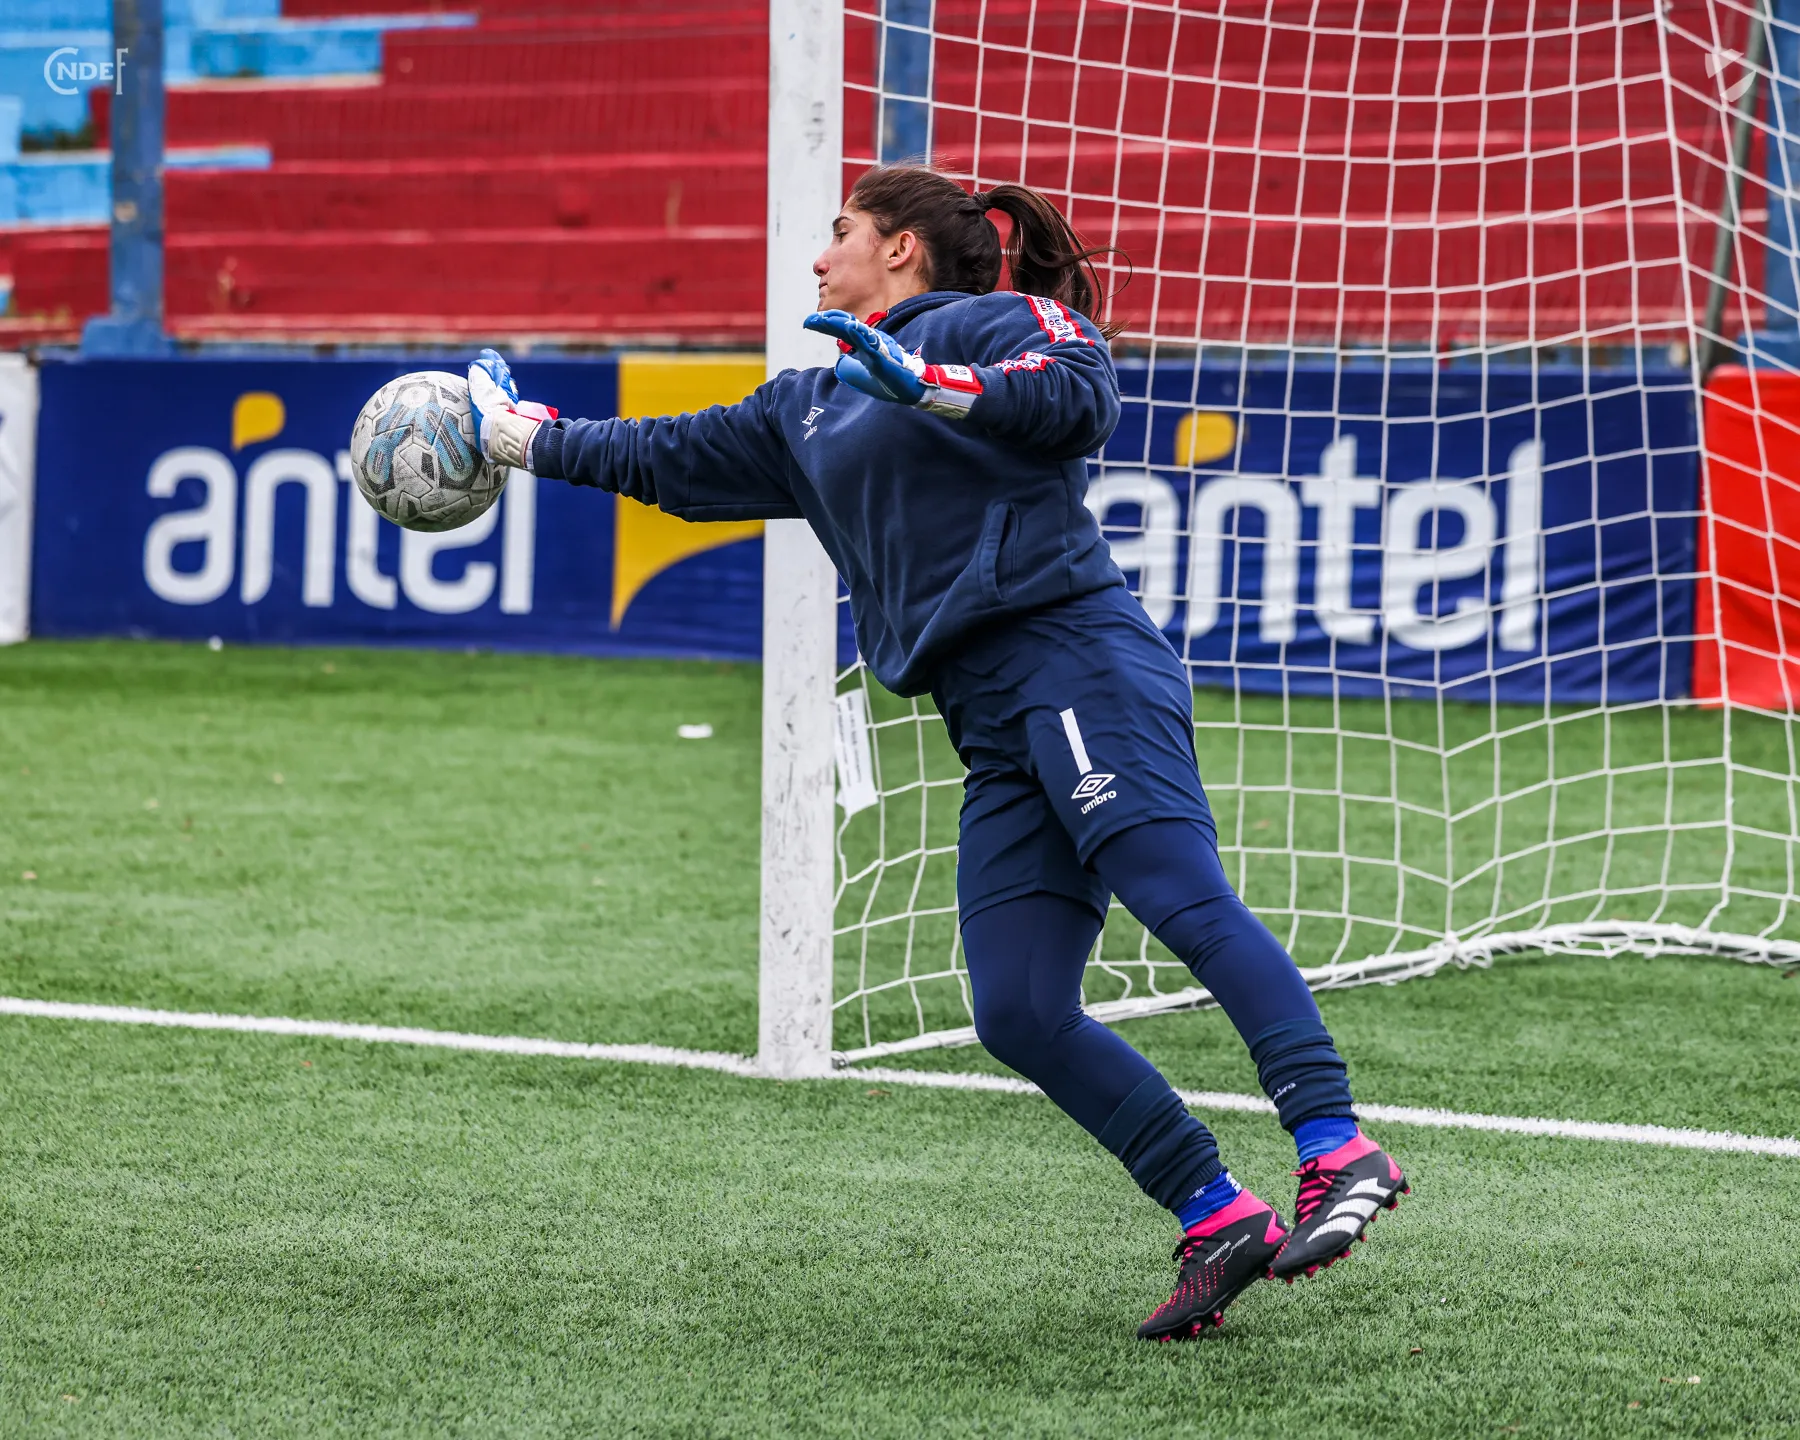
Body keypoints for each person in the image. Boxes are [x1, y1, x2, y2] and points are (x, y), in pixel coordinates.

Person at [465, 164, 1409, 1341]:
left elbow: (1080, 393)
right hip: (987, 719)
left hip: (1074, 660)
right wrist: (517, 437)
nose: (820, 257)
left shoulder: (993, 322)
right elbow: (664, 458)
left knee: (1175, 892)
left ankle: (1334, 1144)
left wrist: (934, 385)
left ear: (903, 248)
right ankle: (1216, 1212)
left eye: (842, 232)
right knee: (1016, 1008)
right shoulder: (809, 405)